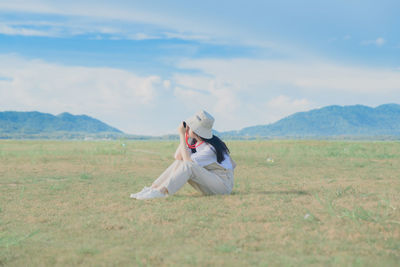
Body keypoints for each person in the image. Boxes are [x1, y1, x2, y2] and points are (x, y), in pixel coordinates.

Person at [130, 110, 236, 200]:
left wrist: (182, 134)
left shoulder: (210, 148)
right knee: (180, 162)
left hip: (222, 185)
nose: (187, 127)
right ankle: (153, 189)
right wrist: (186, 137)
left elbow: (188, 164)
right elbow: (178, 157)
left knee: (188, 165)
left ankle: (161, 192)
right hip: (212, 181)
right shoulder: (194, 141)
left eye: (190, 126)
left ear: (196, 130)